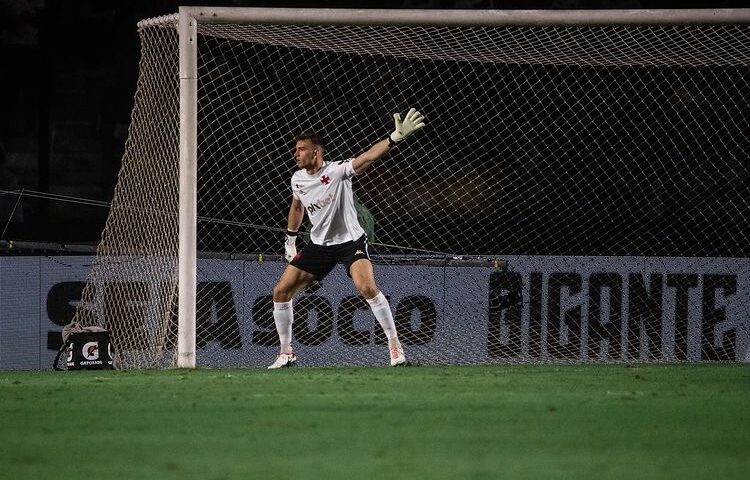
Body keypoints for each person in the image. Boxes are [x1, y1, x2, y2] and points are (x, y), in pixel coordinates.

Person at [268, 108, 426, 369]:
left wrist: (394, 138)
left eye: (301, 149)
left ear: (316, 152)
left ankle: (395, 347)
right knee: (281, 291)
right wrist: (290, 239)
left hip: (350, 243)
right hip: (318, 245)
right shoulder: (297, 179)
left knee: (367, 288)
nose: (295, 154)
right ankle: (286, 352)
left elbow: (367, 158)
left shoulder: (337, 171)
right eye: (295, 149)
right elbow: (297, 207)